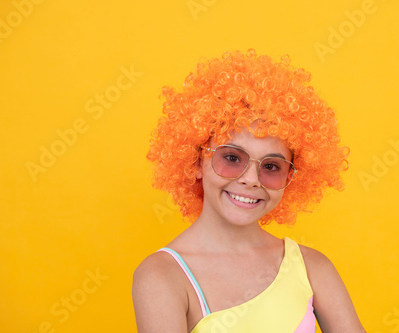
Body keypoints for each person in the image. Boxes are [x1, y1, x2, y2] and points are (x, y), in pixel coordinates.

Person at [132, 49, 365, 332]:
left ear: (290, 177)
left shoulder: (312, 268)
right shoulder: (162, 276)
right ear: (196, 161)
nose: (251, 179)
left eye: (271, 166)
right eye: (231, 158)